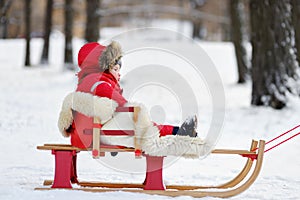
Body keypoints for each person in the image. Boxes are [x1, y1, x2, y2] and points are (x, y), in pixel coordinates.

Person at [58, 41, 208, 158]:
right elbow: (128, 111)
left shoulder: (88, 81)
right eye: (116, 70)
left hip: (85, 135)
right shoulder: (101, 84)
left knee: (137, 124)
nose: (119, 75)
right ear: (103, 67)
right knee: (139, 123)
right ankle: (178, 134)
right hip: (96, 135)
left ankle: (176, 132)